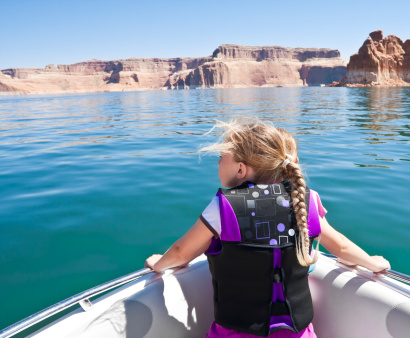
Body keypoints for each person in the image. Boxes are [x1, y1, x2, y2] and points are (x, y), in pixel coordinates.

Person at [145, 119, 390, 338]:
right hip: (298, 332)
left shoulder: (223, 206)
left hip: (235, 332)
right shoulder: (306, 200)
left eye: (222, 157)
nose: (218, 162)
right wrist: (372, 262)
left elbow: (181, 252)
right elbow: (341, 246)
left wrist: (158, 263)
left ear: (240, 169)